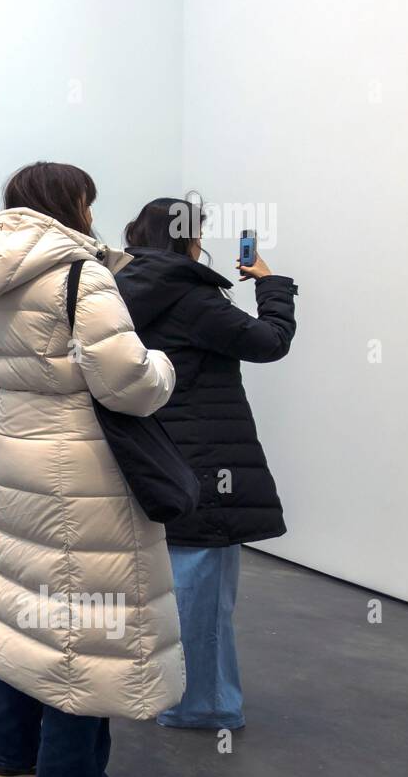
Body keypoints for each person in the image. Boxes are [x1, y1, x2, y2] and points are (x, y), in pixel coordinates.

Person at [0, 162, 182, 777]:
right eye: (86, 199)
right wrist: (164, 365)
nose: (92, 211)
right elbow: (126, 381)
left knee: (30, 608)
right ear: (69, 204)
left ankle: (8, 759)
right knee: (91, 623)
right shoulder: (81, 274)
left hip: (22, 456)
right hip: (85, 468)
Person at [115, 198, 298, 731]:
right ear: (188, 240)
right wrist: (271, 283)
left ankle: (163, 691)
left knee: (168, 585)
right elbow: (269, 342)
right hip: (208, 458)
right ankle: (201, 704)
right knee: (204, 591)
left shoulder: (122, 291)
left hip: (154, 454)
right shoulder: (191, 297)